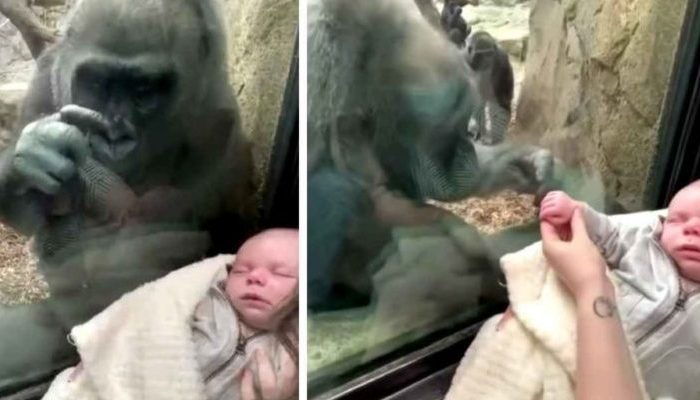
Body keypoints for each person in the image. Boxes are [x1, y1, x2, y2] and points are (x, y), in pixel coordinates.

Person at [537, 179, 700, 399]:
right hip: (577, 356)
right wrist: (578, 211)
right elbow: (609, 233)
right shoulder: (643, 247)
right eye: (677, 220)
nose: (693, 229)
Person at [192, 228, 299, 400]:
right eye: (241, 270)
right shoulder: (203, 302)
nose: (254, 276)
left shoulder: (299, 346)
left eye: (281, 273)